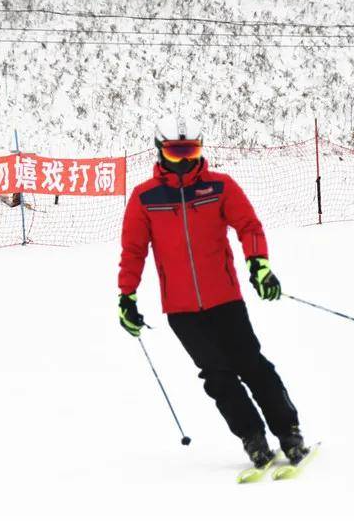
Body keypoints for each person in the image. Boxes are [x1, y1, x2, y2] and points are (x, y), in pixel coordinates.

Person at [117, 114, 307, 468]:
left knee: (252, 365)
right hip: (182, 310)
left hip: (226, 300)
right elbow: (133, 251)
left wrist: (258, 264)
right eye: (176, 152)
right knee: (217, 376)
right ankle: (252, 437)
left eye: (191, 149)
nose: (185, 159)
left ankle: (289, 431)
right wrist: (126, 296)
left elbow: (248, 225)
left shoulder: (220, 186)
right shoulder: (145, 198)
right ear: (160, 152)